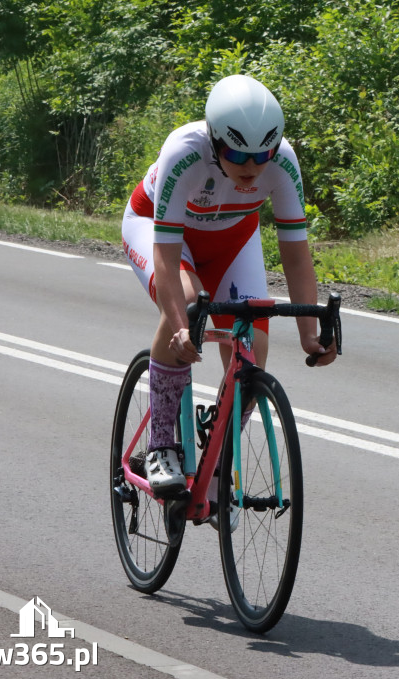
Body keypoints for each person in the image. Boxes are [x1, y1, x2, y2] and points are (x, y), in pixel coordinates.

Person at [121, 74, 337, 499]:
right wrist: (181, 325)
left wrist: (310, 334)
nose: (252, 167)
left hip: (232, 239)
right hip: (159, 231)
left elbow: (296, 254)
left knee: (252, 348)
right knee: (185, 301)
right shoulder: (184, 152)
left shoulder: (283, 162)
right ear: (215, 139)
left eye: (263, 155)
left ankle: (219, 455)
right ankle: (163, 444)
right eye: (238, 153)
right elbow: (165, 255)